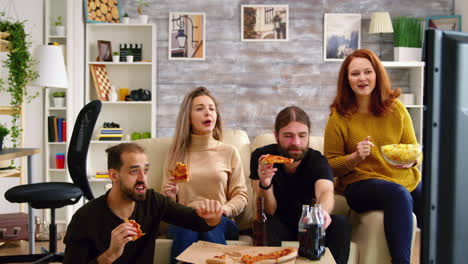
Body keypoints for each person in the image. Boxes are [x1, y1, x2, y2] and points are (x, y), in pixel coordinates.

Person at [324, 49, 422, 264]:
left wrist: (413, 160)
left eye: (367, 72)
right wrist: (355, 157)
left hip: (399, 176)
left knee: (439, 197)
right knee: (398, 194)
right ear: (346, 79)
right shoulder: (339, 116)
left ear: (377, 74)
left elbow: (413, 148)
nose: (362, 78)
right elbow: (329, 166)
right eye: (355, 74)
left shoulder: (396, 108)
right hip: (360, 184)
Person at [63, 143, 223, 264]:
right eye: (134, 171)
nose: (142, 179)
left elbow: (196, 221)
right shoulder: (85, 218)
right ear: (114, 175)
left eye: (145, 171)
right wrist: (110, 254)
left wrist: (212, 217)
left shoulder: (153, 201)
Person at [250, 106, 351, 264]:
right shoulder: (262, 157)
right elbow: (269, 210)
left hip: (310, 225)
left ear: (309, 136)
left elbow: (325, 192)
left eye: (302, 136)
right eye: (288, 136)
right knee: (266, 224)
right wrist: (265, 184)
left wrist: (321, 213)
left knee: (340, 224)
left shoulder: (317, 160)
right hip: (278, 223)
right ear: (276, 136)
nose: (296, 143)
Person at [161, 86, 248, 264]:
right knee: (189, 225)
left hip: (221, 219)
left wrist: (223, 210)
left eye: (212, 109)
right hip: (184, 218)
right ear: (189, 118)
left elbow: (241, 195)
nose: (208, 113)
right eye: (200, 109)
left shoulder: (228, 152)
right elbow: (166, 206)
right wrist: (169, 196)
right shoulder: (176, 154)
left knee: (207, 225)